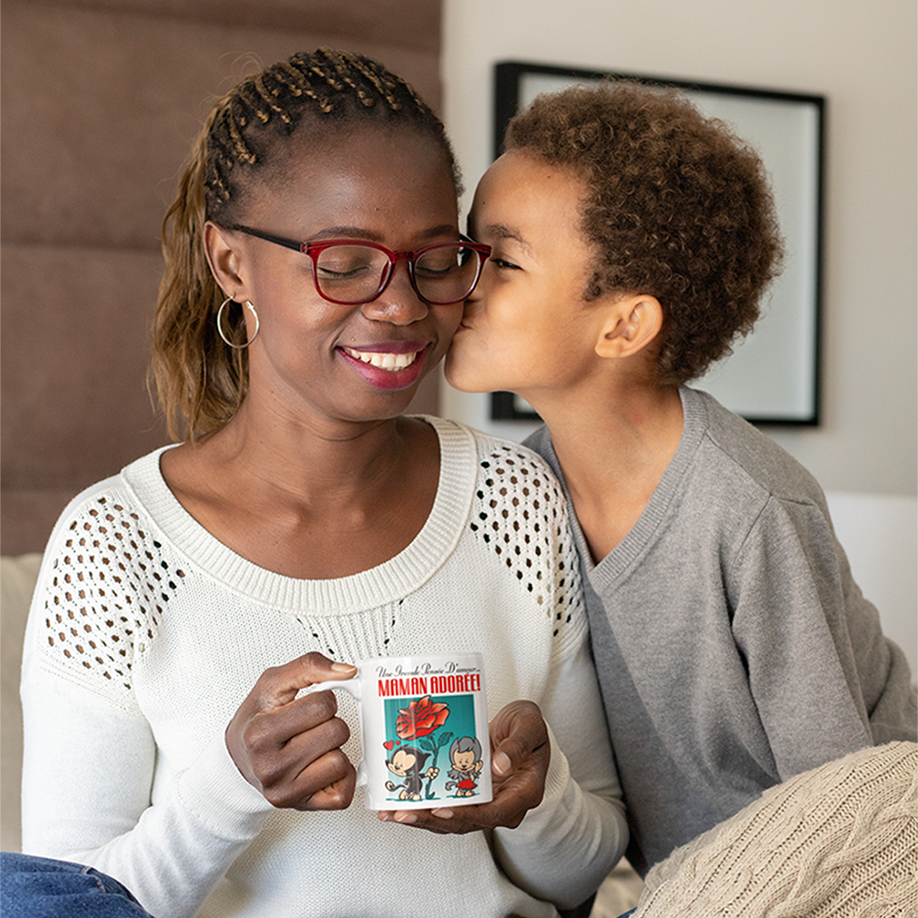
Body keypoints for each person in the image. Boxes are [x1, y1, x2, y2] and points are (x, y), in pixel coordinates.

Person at [10, 50, 626, 918]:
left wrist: (539, 795)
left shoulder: (516, 500)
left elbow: (585, 872)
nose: (404, 307)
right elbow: (57, 906)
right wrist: (229, 790)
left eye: (436, 259)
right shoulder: (115, 545)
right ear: (230, 264)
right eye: (344, 262)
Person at [445, 79, 918, 879]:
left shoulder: (752, 507)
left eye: (505, 260)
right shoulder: (517, 492)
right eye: (468, 248)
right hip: (678, 880)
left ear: (624, 323)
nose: (463, 280)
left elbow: (843, 811)